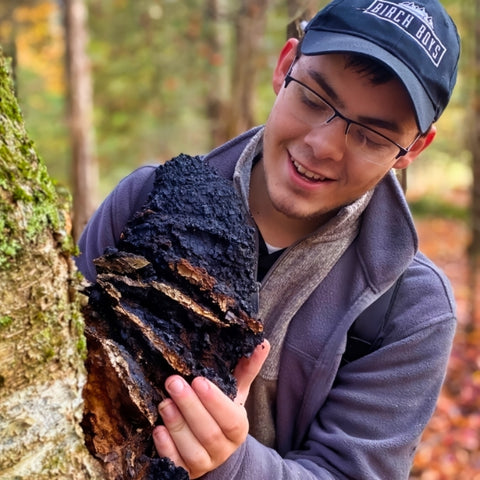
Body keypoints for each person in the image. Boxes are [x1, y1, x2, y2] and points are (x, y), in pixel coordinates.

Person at [76, 0, 461, 478]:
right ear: (285, 67)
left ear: (414, 148)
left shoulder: (412, 309)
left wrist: (233, 463)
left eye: (371, 136)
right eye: (315, 100)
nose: (322, 147)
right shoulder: (144, 200)